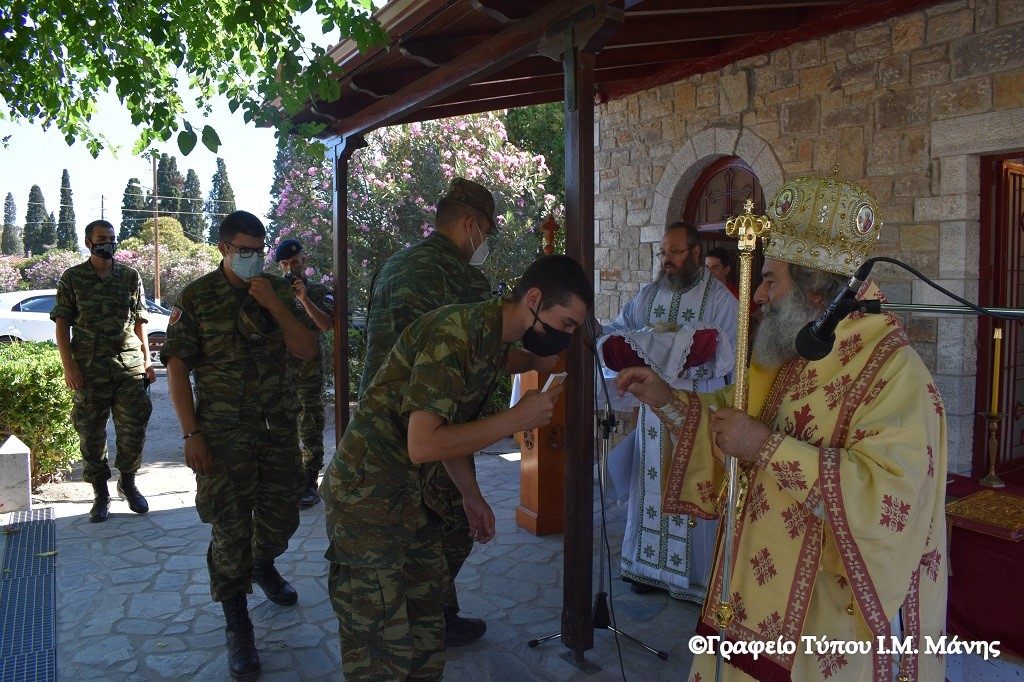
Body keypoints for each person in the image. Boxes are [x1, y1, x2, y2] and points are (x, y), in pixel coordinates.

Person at [617, 175, 946, 681]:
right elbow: (728, 422)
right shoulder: (787, 347)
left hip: (825, 616)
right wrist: (665, 397)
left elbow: (889, 498)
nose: (760, 295)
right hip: (747, 590)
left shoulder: (894, 372)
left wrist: (767, 447)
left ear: (818, 295)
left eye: (771, 280)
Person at [325, 254, 591, 681]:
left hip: (414, 499)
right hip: (368, 500)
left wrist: (471, 495)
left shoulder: (492, 338)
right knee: (380, 650)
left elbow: (461, 413)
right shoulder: (456, 333)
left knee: (427, 637)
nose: (566, 337)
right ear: (535, 299)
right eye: (565, 324)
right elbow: (423, 442)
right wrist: (516, 419)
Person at [358, 176, 556, 646]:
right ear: (470, 225)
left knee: (417, 532)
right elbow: (474, 356)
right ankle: (426, 620)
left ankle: (434, 614)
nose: (486, 242)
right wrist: (535, 359)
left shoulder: (394, 265)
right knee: (450, 530)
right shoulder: (460, 279)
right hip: (425, 429)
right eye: (487, 230)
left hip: (377, 426)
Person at [162, 210, 318, 679]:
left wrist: (273, 303)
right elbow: (176, 367)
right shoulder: (198, 297)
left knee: (282, 517)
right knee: (230, 527)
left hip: (275, 432)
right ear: (224, 248)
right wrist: (191, 434)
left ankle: (263, 563)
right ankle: (237, 624)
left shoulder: (273, 289)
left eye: (258, 249)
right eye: (244, 250)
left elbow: (307, 348)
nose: (252, 257)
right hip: (223, 438)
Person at [601, 222, 737, 601]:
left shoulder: (721, 300)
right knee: (650, 484)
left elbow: (730, 358)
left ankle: (691, 579)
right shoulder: (650, 293)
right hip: (652, 418)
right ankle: (645, 568)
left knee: (691, 482)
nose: (667, 260)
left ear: (695, 252)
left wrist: (686, 354)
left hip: (695, 411)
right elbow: (618, 329)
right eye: (663, 253)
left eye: (675, 252)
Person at [51, 219, 155, 523]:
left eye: (111, 238)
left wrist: (147, 359)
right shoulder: (72, 278)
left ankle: (128, 483)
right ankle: (100, 493)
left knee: (133, 431)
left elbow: (139, 321)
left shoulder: (130, 276)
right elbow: (62, 325)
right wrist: (69, 366)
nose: (107, 243)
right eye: (101, 238)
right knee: (91, 435)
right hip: (89, 369)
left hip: (129, 367)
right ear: (88, 242)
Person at [274, 238, 335, 508]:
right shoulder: (273, 292)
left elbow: (325, 325)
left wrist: (304, 299)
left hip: (308, 371)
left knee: (310, 423)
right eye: (285, 265)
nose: (290, 269)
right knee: (281, 424)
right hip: (278, 370)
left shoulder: (319, 292)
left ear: (304, 262)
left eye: (295, 263)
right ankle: (288, 479)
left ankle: (310, 480)